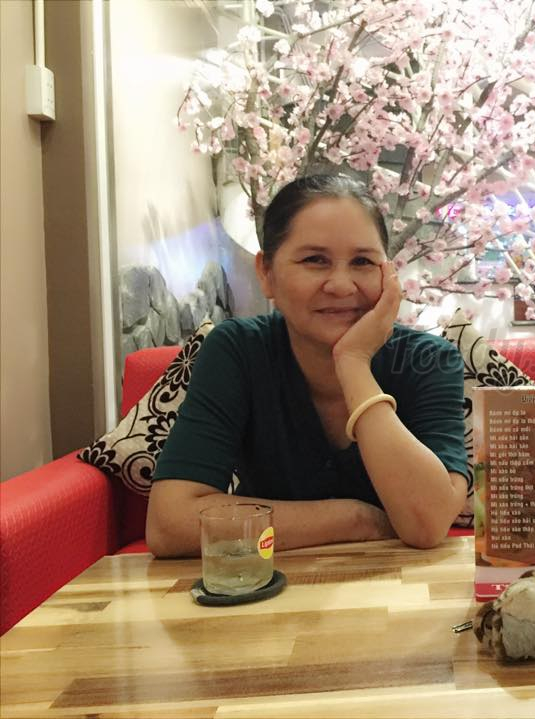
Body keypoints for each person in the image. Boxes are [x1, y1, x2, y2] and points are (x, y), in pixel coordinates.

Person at [146, 175, 469, 557]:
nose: (341, 285)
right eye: (315, 260)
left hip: (406, 587)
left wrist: (353, 362)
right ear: (266, 273)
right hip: (268, 580)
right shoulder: (238, 351)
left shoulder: (428, 360)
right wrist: (355, 520)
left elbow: (427, 523)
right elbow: (170, 524)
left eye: (363, 262)